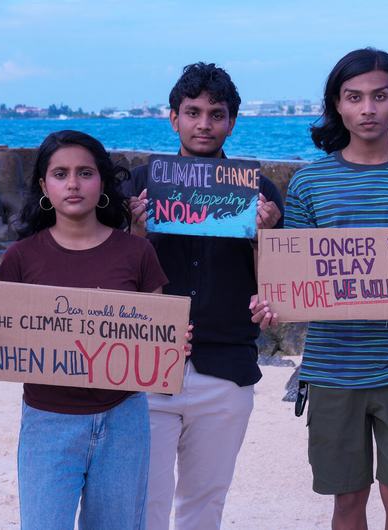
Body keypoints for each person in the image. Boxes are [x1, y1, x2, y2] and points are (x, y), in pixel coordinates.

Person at [251, 48, 388, 530]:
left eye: (379, 96)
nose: (367, 108)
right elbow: (297, 279)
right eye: (354, 97)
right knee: (346, 503)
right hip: (331, 367)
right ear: (337, 105)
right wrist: (272, 302)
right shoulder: (309, 183)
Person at [0, 130, 184, 529]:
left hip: (124, 418)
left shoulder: (137, 252)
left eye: (85, 172)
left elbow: (160, 332)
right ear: (44, 185)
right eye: (60, 174)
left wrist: (176, 343)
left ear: (102, 181)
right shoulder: (20, 257)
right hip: (47, 419)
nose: (73, 183)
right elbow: (1, 331)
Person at [121, 62, 284, 530]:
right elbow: (114, 281)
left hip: (225, 372)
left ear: (232, 121)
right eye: (193, 112)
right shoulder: (138, 183)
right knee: (143, 503)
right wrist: (135, 230)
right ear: (173, 118)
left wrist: (265, 237)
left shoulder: (259, 191)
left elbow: (278, 290)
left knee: (205, 504)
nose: (204, 124)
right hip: (147, 367)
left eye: (216, 114)